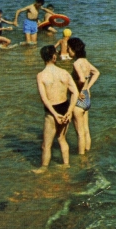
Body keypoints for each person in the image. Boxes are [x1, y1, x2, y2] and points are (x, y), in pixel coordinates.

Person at [33, 45, 80, 173]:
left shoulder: (41, 75)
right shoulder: (64, 72)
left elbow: (44, 99)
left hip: (52, 109)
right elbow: (75, 92)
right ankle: (66, 165)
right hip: (65, 107)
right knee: (61, 138)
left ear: (43, 58)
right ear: (54, 57)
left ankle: (43, 168)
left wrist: (54, 114)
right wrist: (69, 111)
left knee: (46, 145)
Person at [68, 37, 100, 154]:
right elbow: (96, 72)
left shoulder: (76, 63)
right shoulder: (86, 62)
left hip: (79, 98)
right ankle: (87, 153)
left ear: (74, 50)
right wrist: (88, 87)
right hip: (87, 96)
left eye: (69, 49)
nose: (68, 51)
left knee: (80, 134)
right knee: (86, 130)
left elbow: (81, 79)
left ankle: (82, 159)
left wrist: (78, 91)